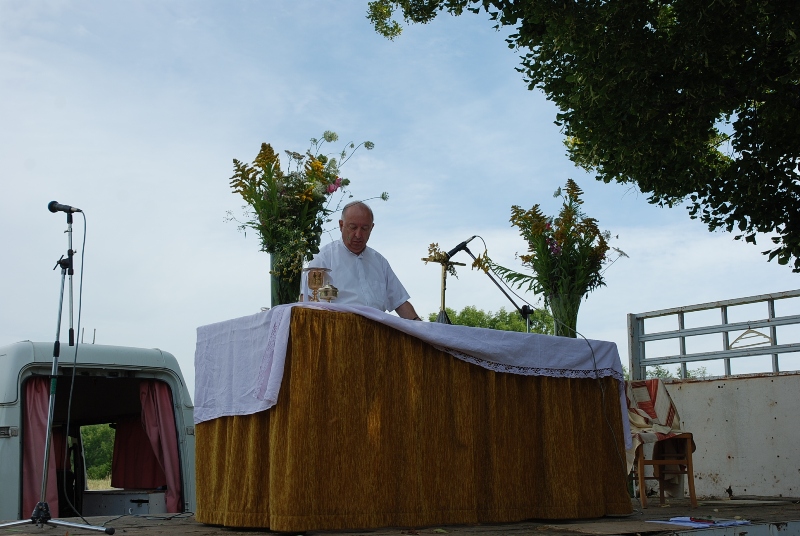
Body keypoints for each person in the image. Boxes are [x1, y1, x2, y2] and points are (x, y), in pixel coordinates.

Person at [301, 201, 422, 320]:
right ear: (341, 225)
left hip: (378, 329)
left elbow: (399, 302)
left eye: (364, 228)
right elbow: (306, 300)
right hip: (338, 327)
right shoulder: (323, 258)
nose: (358, 235)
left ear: (372, 228)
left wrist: (419, 325)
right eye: (353, 227)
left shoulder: (380, 262)